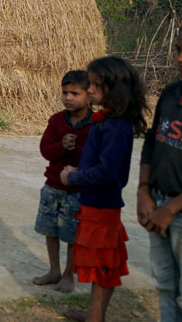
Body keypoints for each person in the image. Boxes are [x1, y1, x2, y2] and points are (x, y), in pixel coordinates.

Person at [60, 56, 148, 322]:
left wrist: (73, 178)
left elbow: (107, 172)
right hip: (98, 205)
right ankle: (94, 314)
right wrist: (80, 173)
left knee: (101, 268)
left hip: (101, 208)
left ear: (114, 89)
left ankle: (95, 317)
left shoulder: (115, 126)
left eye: (95, 85)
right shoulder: (107, 121)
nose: (90, 90)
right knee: (103, 267)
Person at [32, 70, 94, 292]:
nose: (68, 97)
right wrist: (61, 146)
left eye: (75, 93)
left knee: (72, 234)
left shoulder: (95, 125)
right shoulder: (57, 120)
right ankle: (54, 270)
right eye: (65, 92)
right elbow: (45, 150)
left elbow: (95, 158)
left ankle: (69, 274)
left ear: (90, 95)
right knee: (51, 230)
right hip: (52, 187)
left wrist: (75, 148)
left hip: (77, 190)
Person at [137, 29, 182, 321]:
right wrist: (143, 191)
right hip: (157, 202)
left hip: (174, 210)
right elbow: (153, 141)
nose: (179, 58)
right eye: (178, 48)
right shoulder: (170, 93)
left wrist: (171, 209)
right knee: (165, 286)